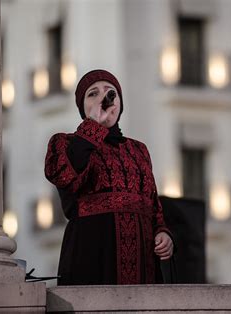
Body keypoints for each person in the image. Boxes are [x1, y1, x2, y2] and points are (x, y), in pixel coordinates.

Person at [45, 69, 173, 285]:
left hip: (142, 262)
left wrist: (163, 234)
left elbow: (153, 204)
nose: (102, 99)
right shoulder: (64, 143)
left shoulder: (139, 149)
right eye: (92, 94)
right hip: (92, 253)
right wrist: (93, 126)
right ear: (82, 106)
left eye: (110, 93)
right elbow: (64, 177)